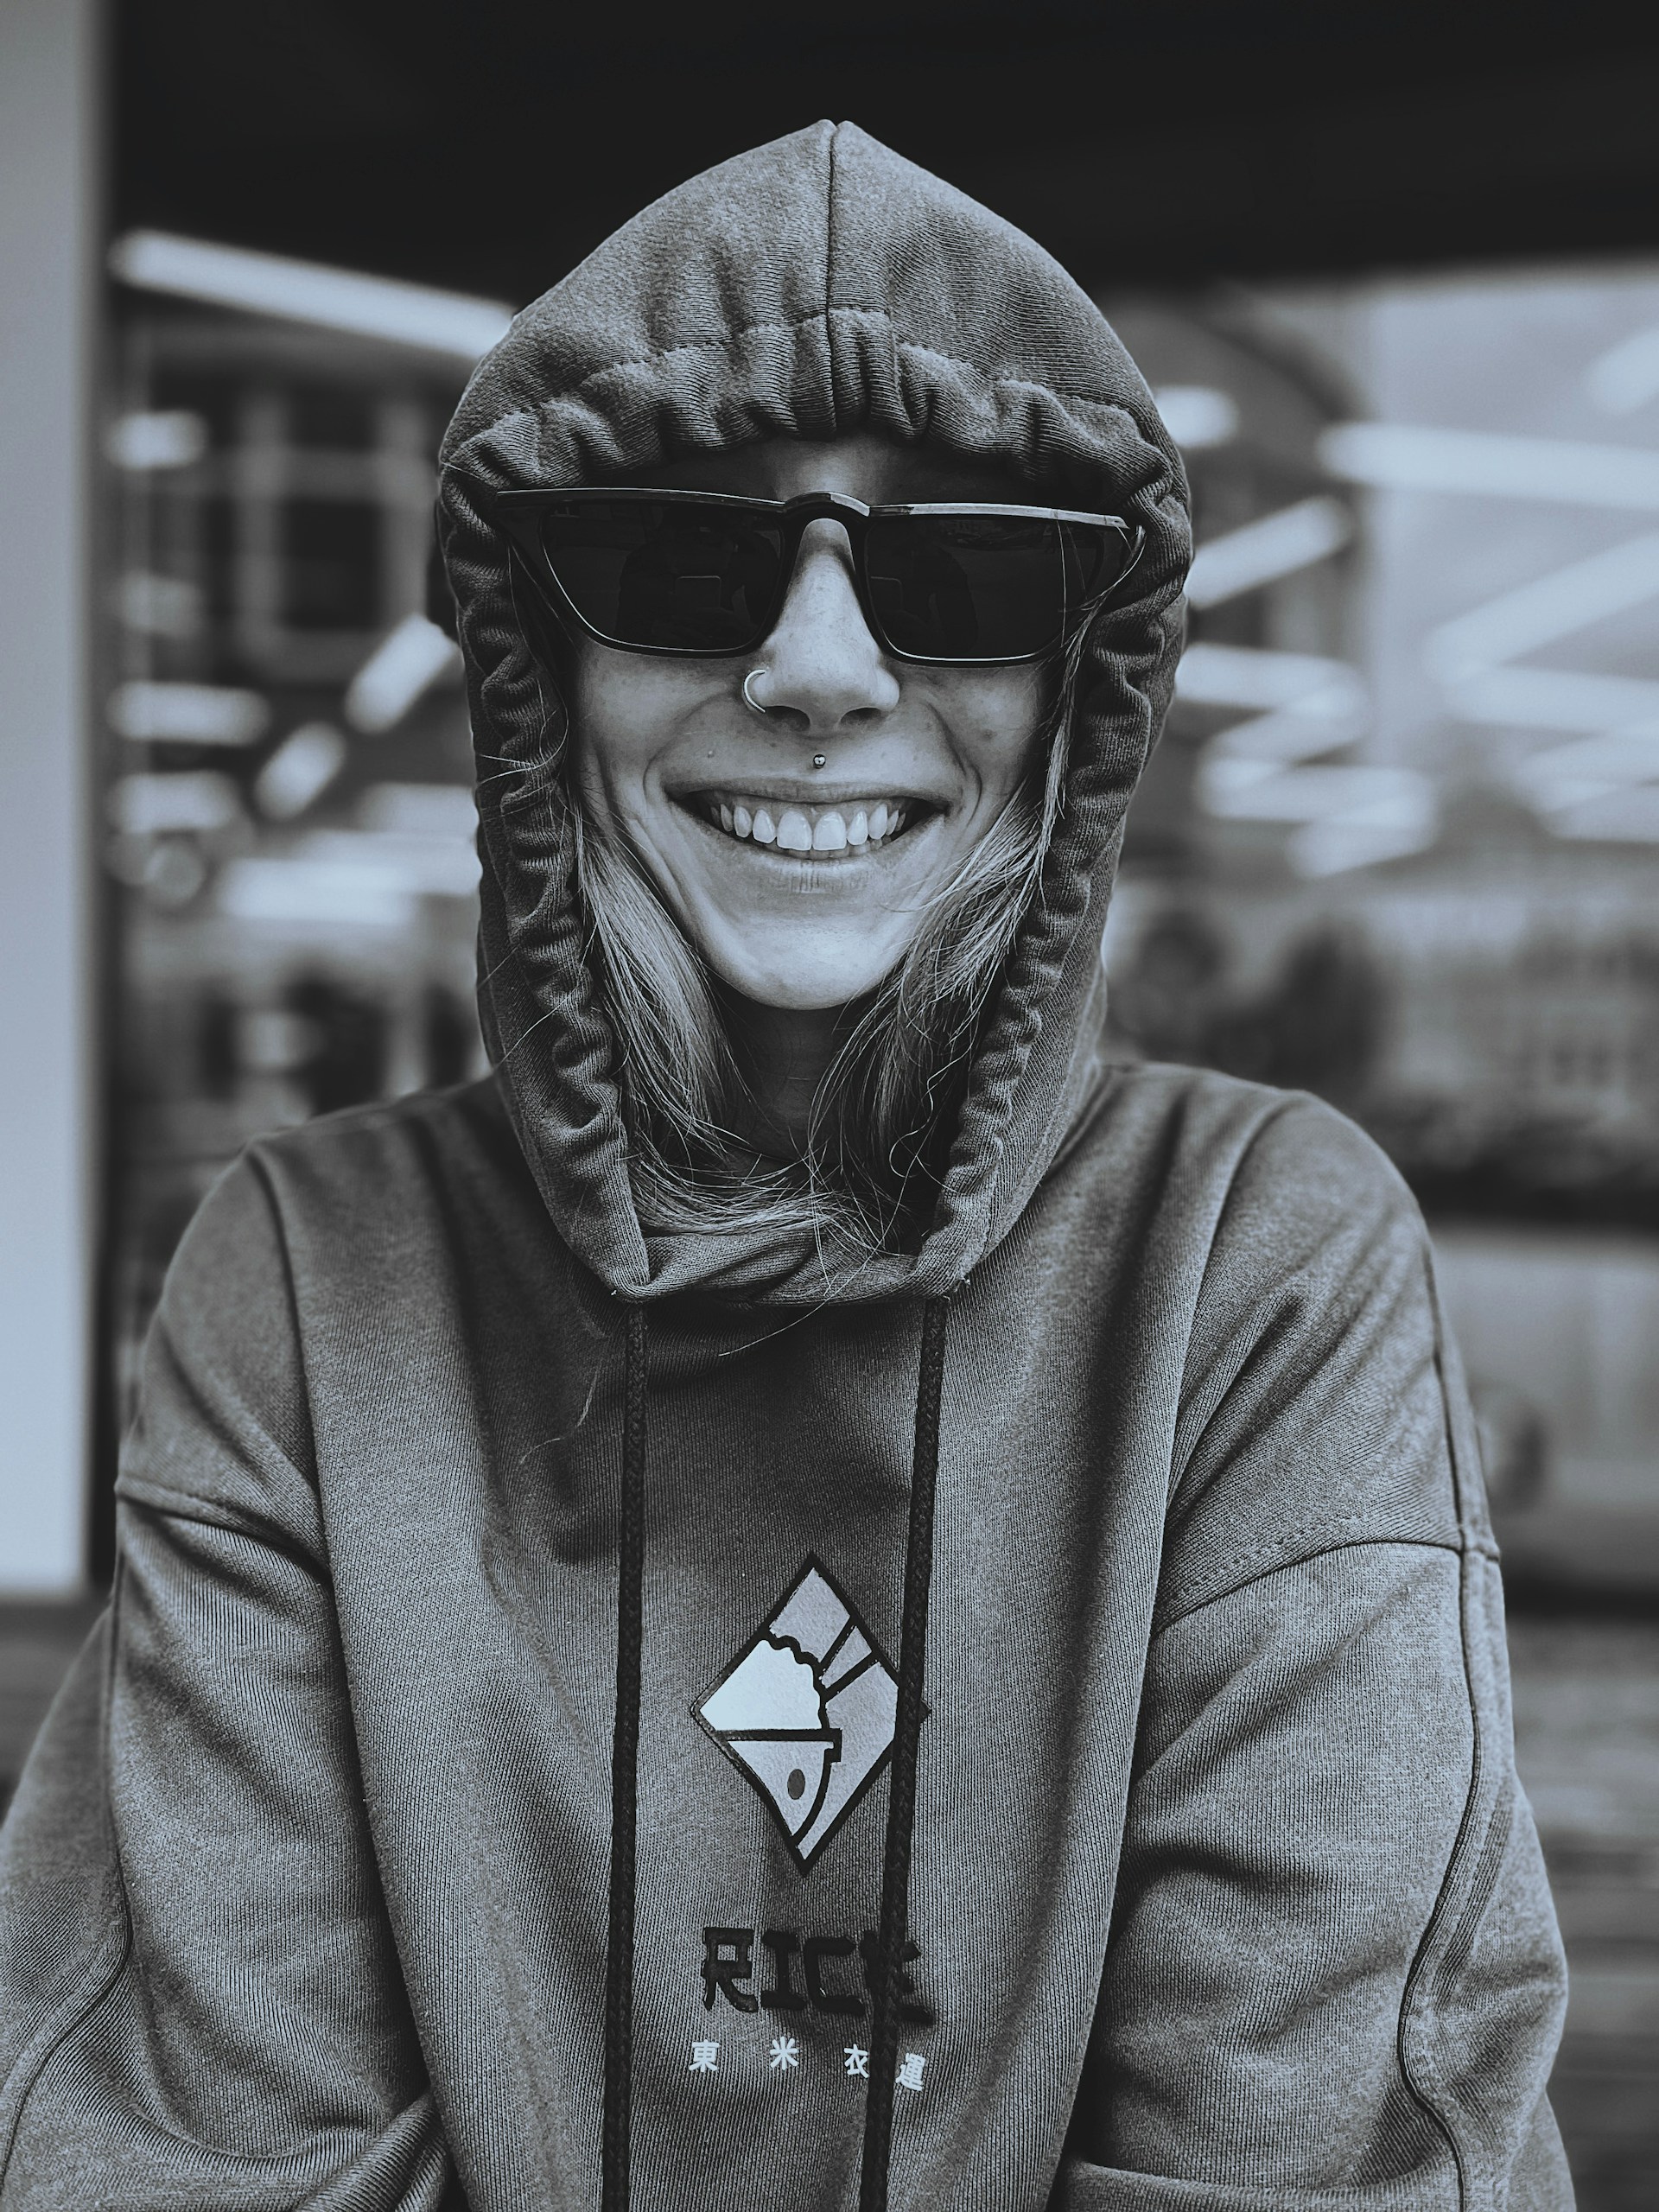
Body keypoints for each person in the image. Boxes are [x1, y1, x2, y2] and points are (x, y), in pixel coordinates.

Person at [0, 123, 1571, 2212]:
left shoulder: (1257, 1262)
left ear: (1070, 692)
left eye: (965, 570)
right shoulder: (303, 1275)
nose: (822, 672)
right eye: (679, 558)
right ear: (539, 658)